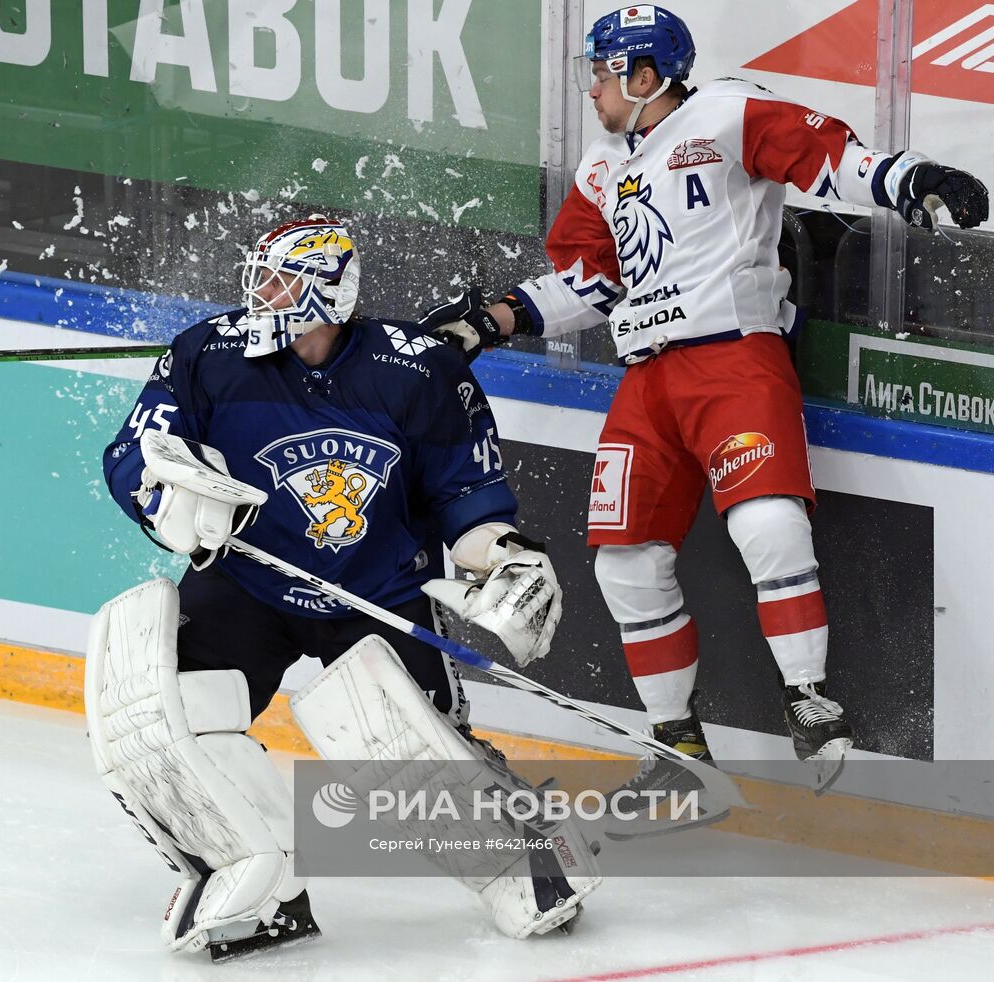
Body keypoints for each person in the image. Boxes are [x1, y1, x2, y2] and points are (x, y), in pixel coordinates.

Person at [419, 6, 987, 797]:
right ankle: (677, 747)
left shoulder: (725, 112)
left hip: (734, 360)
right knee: (624, 562)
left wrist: (913, 177)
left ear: (643, 75)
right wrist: (493, 320)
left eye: (601, 70)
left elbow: (827, 159)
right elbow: (590, 282)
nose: (590, 86)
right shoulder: (600, 168)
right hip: (646, 381)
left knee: (768, 523)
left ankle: (809, 699)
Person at [86, 215, 599, 959]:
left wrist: (507, 556)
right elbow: (134, 450)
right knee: (158, 716)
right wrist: (159, 499)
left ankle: (528, 856)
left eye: (280, 281)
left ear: (330, 293)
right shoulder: (208, 353)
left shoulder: (420, 372)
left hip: (377, 593)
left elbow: (469, 501)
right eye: (258, 277)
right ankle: (255, 880)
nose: (260, 294)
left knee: (403, 753)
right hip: (248, 581)